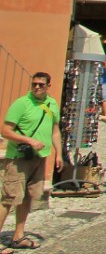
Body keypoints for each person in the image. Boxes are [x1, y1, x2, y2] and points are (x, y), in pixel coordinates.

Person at [0, 72, 62, 251]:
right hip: (18, 158)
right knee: (9, 198)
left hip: (39, 157)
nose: (37, 87)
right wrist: (29, 141)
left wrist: (58, 154)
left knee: (28, 197)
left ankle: (18, 236)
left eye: (41, 84)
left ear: (48, 86)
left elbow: (55, 130)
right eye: (34, 84)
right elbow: (5, 131)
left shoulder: (52, 104)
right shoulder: (22, 103)